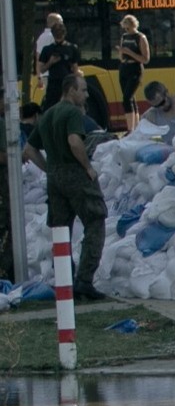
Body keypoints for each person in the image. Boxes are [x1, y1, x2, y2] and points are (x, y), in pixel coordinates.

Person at [29, 69, 108, 301]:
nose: (86, 95)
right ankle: (84, 280)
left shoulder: (48, 115)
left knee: (61, 229)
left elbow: (29, 149)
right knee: (95, 220)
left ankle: (65, 278)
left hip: (55, 177)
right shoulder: (72, 113)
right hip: (75, 174)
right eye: (82, 90)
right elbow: (75, 142)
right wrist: (87, 167)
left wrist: (49, 169)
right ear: (71, 90)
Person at [114, 14, 150, 108]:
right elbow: (122, 56)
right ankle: (134, 122)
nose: (126, 30)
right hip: (124, 67)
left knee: (127, 98)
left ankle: (132, 123)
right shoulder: (124, 37)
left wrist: (130, 53)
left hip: (135, 68)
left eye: (128, 28)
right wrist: (121, 53)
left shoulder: (141, 37)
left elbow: (145, 59)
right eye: (125, 28)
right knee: (129, 98)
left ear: (133, 26)